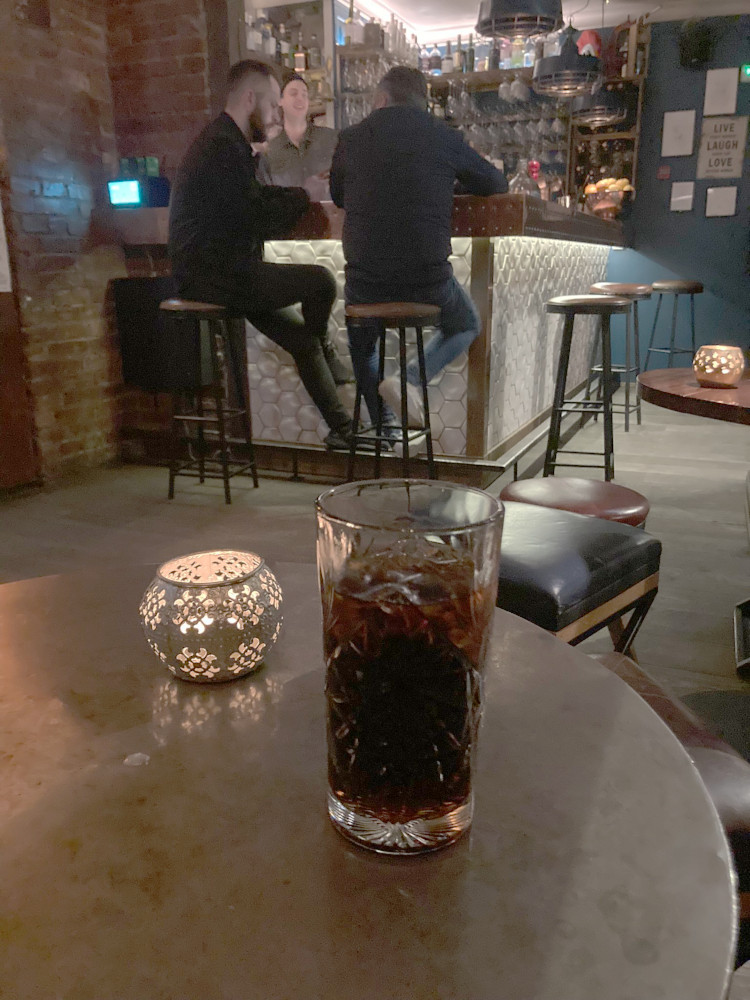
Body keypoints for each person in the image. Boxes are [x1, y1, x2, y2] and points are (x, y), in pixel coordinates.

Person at [169, 59, 354, 452]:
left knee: (301, 341)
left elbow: (251, 202)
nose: (274, 115)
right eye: (272, 105)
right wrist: (302, 195)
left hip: (223, 272)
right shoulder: (222, 147)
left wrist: (298, 192)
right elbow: (255, 216)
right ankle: (325, 347)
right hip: (218, 278)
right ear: (249, 98)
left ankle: (343, 430)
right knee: (320, 281)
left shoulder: (225, 143)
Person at [330, 66, 508, 434]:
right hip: (426, 279)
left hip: (366, 280)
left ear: (380, 99)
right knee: (467, 324)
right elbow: (495, 182)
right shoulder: (444, 136)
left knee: (363, 343)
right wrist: (445, 184)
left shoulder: (350, 138)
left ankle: (385, 428)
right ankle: (412, 377)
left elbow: (337, 195)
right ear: (424, 103)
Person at [260, 73, 338, 202]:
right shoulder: (270, 150)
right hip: (289, 219)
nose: (300, 98)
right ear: (280, 100)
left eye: (304, 94)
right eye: (293, 93)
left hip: (328, 218)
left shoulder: (331, 139)